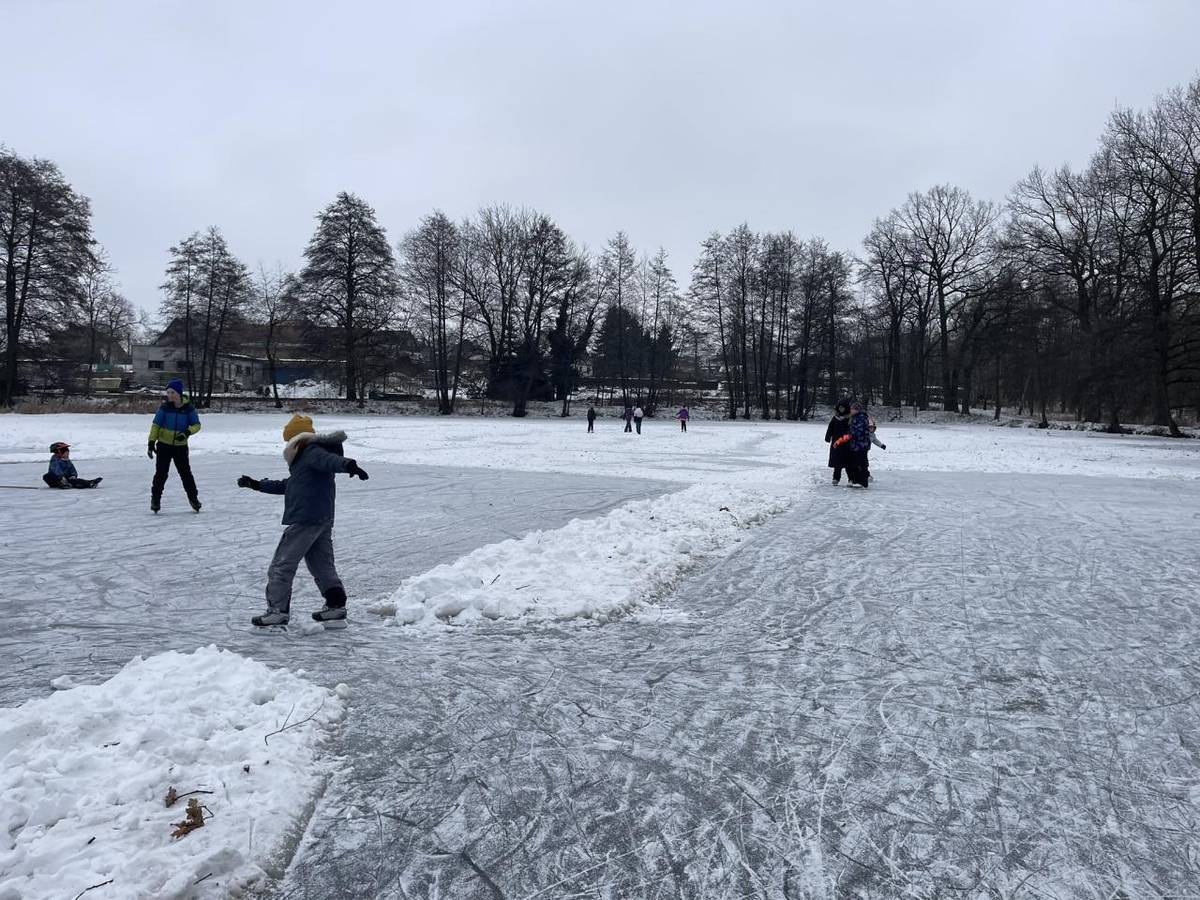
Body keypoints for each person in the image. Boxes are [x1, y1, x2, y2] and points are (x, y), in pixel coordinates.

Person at [237, 414, 369, 627]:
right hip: (321, 519)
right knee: (322, 566)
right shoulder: (305, 461)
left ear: (295, 440)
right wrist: (256, 484)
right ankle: (336, 607)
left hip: (306, 519)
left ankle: (277, 610)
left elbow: (330, 461)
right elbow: (288, 485)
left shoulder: (311, 452)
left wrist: (349, 465)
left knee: (282, 564)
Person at [148, 379, 202, 513]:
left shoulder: (188, 408)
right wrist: (151, 443)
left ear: (179, 393)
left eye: (172, 392)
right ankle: (155, 499)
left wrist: (187, 432)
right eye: (168, 393)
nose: (170, 395)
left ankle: (193, 498)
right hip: (164, 446)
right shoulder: (165, 408)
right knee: (161, 474)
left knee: (185, 474)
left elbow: (197, 425)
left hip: (180, 447)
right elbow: (156, 425)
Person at [844, 401, 872, 487]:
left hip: (861, 445)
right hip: (856, 445)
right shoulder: (855, 417)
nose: (851, 411)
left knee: (861, 463)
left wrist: (847, 437)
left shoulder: (861, 418)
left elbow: (858, 431)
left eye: (852, 409)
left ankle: (863, 481)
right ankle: (857, 480)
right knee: (856, 463)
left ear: (857, 410)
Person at [824, 400, 850, 484]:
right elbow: (830, 428)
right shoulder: (835, 418)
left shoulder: (849, 418)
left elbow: (852, 429)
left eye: (843, 408)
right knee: (837, 462)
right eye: (840, 408)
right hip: (836, 443)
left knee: (848, 462)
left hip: (846, 442)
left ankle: (851, 478)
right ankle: (836, 478)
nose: (841, 409)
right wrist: (828, 437)